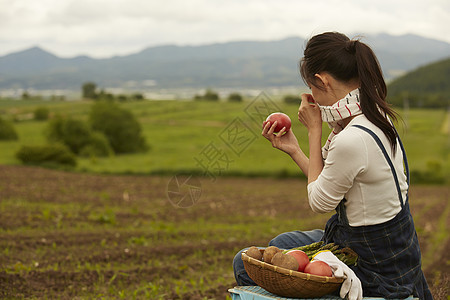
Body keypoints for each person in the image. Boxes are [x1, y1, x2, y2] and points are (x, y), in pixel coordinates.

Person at [232, 32, 432, 299]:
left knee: (243, 264)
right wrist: (294, 150)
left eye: (311, 87)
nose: (311, 96)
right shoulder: (372, 115)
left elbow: (319, 202)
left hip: (373, 262)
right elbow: (328, 179)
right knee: (279, 246)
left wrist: (314, 130)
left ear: (322, 81)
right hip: (383, 245)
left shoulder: (351, 138)